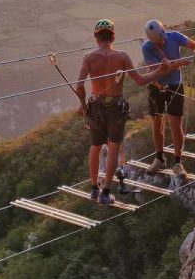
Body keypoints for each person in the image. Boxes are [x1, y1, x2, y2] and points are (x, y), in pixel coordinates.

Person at [75, 19, 188, 206]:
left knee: (95, 147)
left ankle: (94, 188)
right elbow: (141, 81)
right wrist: (161, 70)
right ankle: (104, 192)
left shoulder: (89, 57)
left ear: (96, 38)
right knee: (113, 148)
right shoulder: (122, 56)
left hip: (95, 105)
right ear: (113, 37)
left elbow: (79, 85)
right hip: (115, 107)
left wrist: (82, 104)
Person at [141, 19, 195, 177]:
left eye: (163, 39)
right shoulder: (147, 48)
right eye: (158, 41)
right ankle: (160, 158)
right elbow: (158, 70)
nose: (162, 42)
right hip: (157, 86)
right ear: (151, 39)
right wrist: (179, 63)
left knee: (176, 124)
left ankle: (178, 162)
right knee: (157, 124)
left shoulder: (174, 36)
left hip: (175, 85)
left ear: (164, 33)